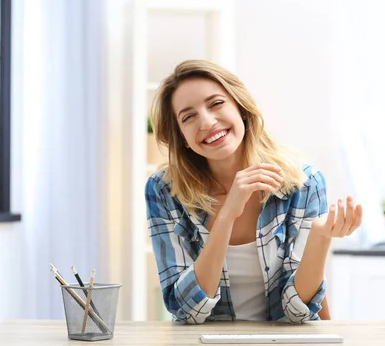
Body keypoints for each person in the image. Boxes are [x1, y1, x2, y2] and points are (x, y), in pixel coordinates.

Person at [145, 60, 362, 324]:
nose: (207, 122)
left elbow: (296, 312)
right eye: (188, 117)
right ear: (182, 137)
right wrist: (227, 216)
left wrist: (320, 237)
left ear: (241, 109)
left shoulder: (302, 182)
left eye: (216, 104)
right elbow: (185, 310)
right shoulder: (164, 190)